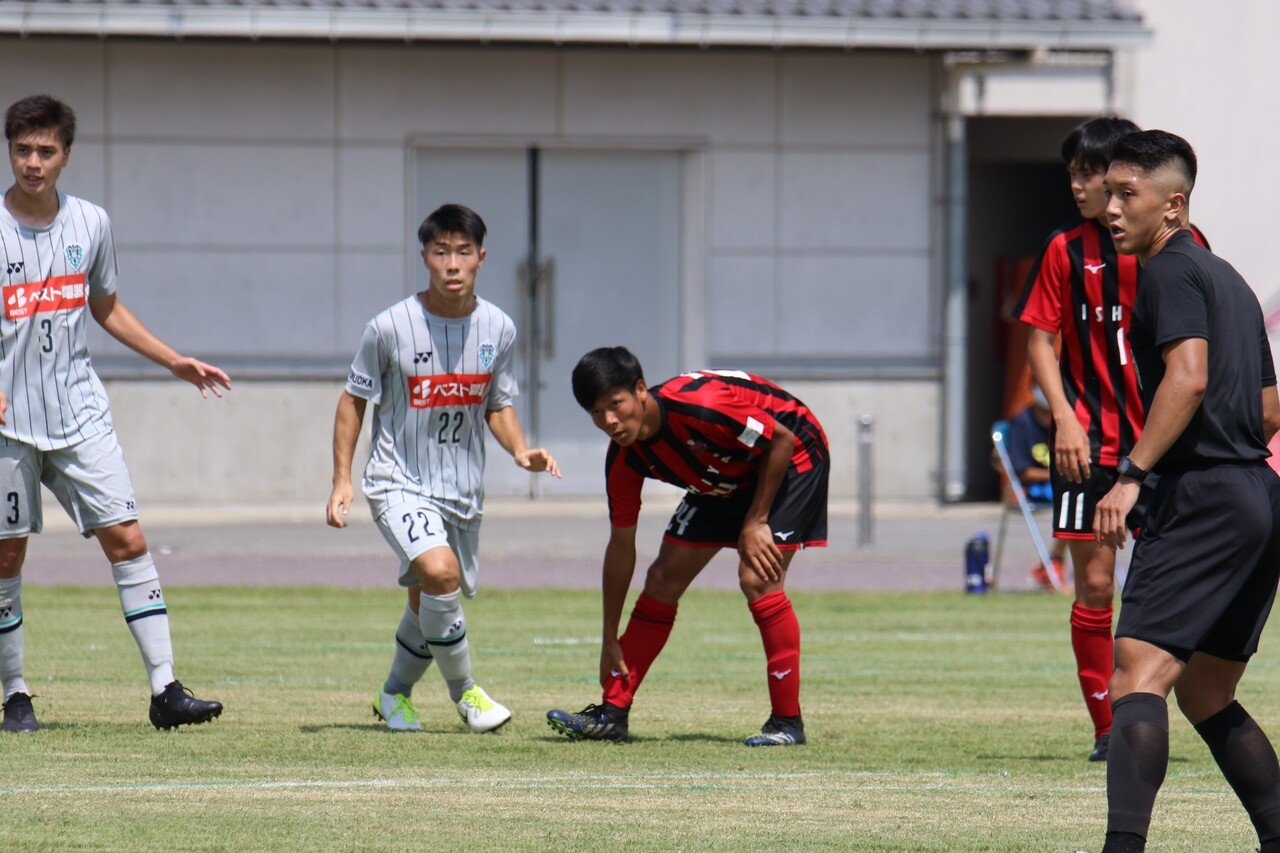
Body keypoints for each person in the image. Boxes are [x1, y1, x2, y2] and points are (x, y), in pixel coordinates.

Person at [0, 95, 230, 733]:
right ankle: (15, 694)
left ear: (66, 155)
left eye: (46, 150)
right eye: (22, 149)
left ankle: (166, 691)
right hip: (7, 425)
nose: (33, 162)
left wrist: (173, 360)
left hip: (78, 411)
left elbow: (107, 307)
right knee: (6, 558)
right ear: (10, 151)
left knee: (127, 538)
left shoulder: (91, 223)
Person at [1093, 130, 1280, 853]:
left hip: (1201, 494)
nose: (1111, 207)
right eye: (1108, 191)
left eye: (1125, 193)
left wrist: (1132, 472)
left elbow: (1190, 374)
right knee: (1206, 691)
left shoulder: (1169, 273)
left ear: (1172, 205)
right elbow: (1267, 409)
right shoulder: (1228, 277)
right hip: (1257, 494)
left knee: (1137, 672)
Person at [1012, 116, 1207, 762]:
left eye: (1088, 172)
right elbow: (1039, 338)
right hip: (1088, 448)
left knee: (1163, 587)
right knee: (1094, 587)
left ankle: (1151, 704)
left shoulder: (1177, 246)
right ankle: (1108, 728)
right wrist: (1063, 417)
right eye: (1072, 173)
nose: (1079, 185)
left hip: (1163, 449)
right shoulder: (1064, 251)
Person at [327, 203, 559, 734]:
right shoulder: (389, 327)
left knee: (428, 597)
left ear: (481, 257)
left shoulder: (498, 327)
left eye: (462, 252)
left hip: (460, 489)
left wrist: (521, 452)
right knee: (440, 571)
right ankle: (468, 695)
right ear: (425, 257)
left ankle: (394, 696)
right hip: (397, 481)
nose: (451, 264)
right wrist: (342, 479)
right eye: (440, 252)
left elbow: (497, 403)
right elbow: (352, 401)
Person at [545, 349, 828, 746]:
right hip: (728, 470)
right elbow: (621, 547)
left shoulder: (703, 409)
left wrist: (756, 520)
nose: (609, 421)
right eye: (595, 412)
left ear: (640, 391)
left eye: (615, 404)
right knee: (662, 578)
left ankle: (786, 724)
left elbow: (779, 440)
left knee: (757, 578)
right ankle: (612, 715)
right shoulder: (624, 458)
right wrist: (609, 635)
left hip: (793, 454)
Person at [999, 385, 1069, 589]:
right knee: (1075, 498)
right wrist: (1058, 474)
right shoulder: (1023, 423)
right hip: (1037, 489)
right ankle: (1055, 562)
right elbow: (1023, 472)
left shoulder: (1067, 420)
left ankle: (1056, 562)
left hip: (1065, 485)